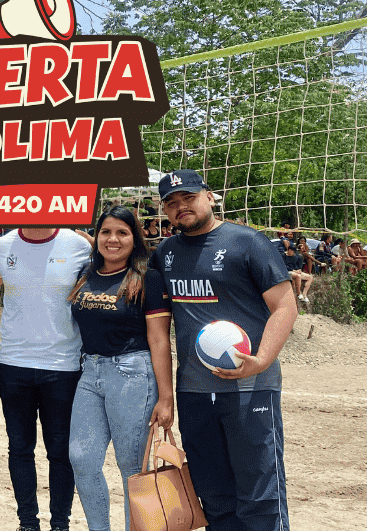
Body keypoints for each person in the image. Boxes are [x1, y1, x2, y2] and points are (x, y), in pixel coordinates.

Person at [151, 169, 296, 531]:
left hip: (250, 387)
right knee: (214, 496)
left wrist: (261, 360)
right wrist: (167, 394)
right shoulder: (165, 253)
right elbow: (158, 324)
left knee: (260, 495)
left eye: (188, 197)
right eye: (171, 202)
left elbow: (285, 306)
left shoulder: (249, 242)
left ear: (209, 196)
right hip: (195, 392)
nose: (180, 206)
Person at [66, 206, 174, 531]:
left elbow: (159, 341)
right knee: (81, 459)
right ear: (96, 236)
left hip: (132, 375)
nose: (113, 239)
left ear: (135, 238)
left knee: (132, 469)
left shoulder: (148, 279)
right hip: (89, 373)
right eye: (106, 232)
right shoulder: (85, 274)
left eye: (122, 232)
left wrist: (166, 398)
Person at [0, 224, 92, 531]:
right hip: (14, 364)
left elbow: (118, 261)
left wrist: (93, 238)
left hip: (64, 365)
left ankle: (60, 525)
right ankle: (28, 523)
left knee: (60, 451)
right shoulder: (3, 246)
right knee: (19, 448)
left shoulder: (77, 244)